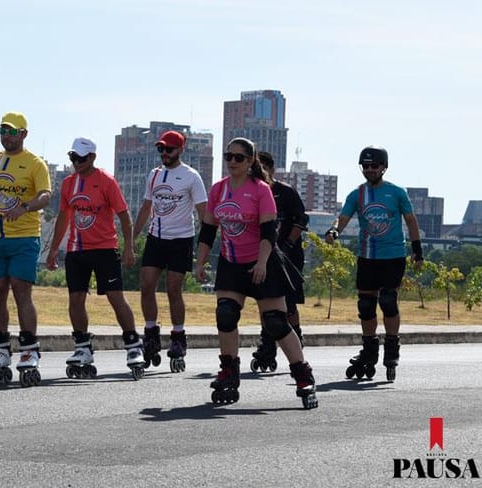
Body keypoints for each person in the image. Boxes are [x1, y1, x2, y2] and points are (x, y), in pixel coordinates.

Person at [195, 137, 317, 409]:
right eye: (229, 156)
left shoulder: (261, 190)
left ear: (250, 161)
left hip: (263, 261)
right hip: (230, 262)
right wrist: (200, 262)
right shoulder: (218, 190)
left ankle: (303, 375)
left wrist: (262, 264)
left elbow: (268, 233)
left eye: (239, 157)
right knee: (225, 315)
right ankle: (229, 371)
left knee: (275, 322)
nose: (232, 162)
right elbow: (207, 231)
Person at [46, 137, 145, 380]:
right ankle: (82, 346)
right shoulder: (69, 184)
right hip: (77, 250)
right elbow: (63, 217)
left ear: (92, 158)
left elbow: (124, 215)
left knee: (115, 297)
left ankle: (133, 344)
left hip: (104, 248)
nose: (76, 163)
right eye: (72, 158)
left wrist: (129, 247)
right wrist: (52, 250)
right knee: (76, 298)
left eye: (80, 158)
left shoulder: (106, 181)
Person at [325, 146, 422, 383]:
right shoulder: (357, 194)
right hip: (368, 257)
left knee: (388, 302)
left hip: (393, 257)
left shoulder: (397, 193)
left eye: (374, 166)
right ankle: (369, 349)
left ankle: (391, 349)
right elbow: (343, 216)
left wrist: (417, 251)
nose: (369, 170)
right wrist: (334, 230)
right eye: (365, 166)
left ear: (383, 167)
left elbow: (411, 221)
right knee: (366, 306)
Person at [0, 111, 51, 387]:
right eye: (3, 131)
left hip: (25, 237)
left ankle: (29, 348)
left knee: (21, 290)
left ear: (24, 134)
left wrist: (25, 207)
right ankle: (1, 347)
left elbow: (45, 195)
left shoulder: (35, 164)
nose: (7, 136)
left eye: (12, 131)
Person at [131, 130, 207, 373]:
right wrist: (131, 238)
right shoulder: (154, 175)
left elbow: (203, 213)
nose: (164, 153)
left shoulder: (191, 177)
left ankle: (178, 336)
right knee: (146, 285)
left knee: (174, 289)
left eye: (169, 149)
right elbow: (146, 207)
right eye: (161, 149)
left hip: (181, 239)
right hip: (156, 237)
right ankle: (151, 333)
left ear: (180, 150)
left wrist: (204, 252)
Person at [250, 151, 309, 373]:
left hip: (288, 255)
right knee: (266, 301)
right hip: (264, 254)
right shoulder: (253, 192)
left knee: (289, 303)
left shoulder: (285, 193)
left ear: (271, 170)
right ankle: (267, 346)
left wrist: (288, 245)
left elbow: (301, 219)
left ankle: (296, 336)